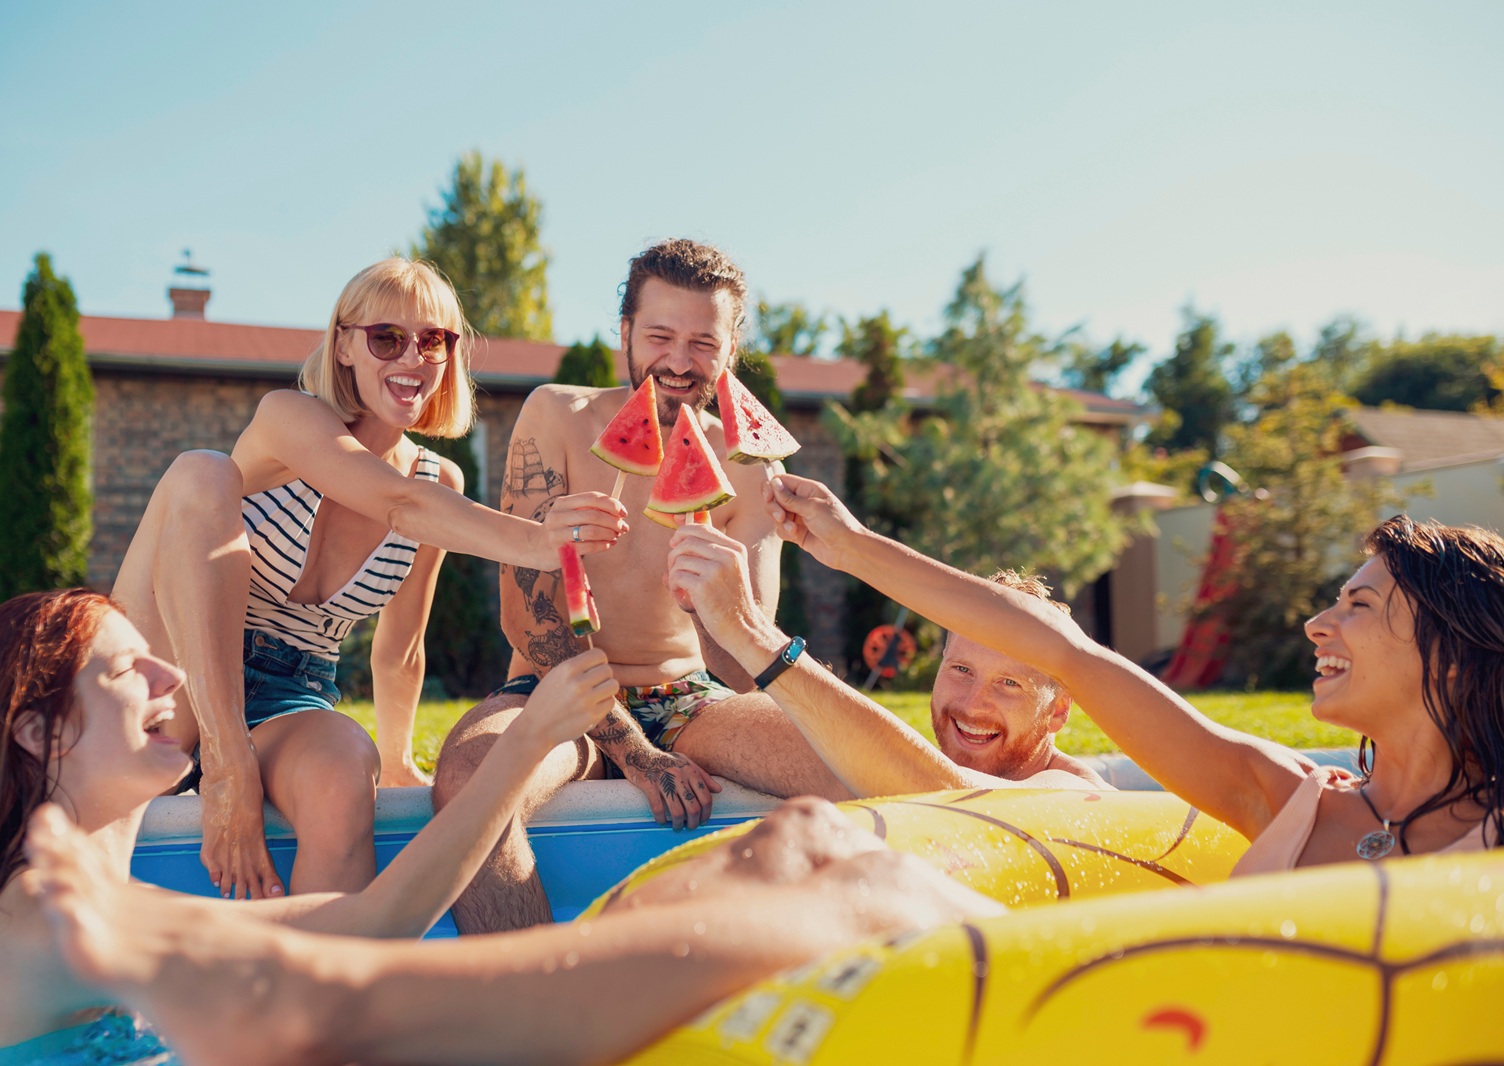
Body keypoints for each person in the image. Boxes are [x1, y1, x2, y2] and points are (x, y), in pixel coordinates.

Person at [0, 588, 987, 1061]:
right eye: (122, 668)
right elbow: (377, 932)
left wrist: (524, 747)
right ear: (39, 733)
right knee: (801, 859)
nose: (172, 673)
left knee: (774, 862)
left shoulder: (77, 915)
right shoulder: (32, 932)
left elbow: (383, 916)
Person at [111, 257, 625, 899]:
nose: (412, 357)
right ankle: (221, 764)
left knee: (343, 774)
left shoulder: (439, 484)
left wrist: (398, 756)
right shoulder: (286, 417)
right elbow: (394, 502)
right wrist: (540, 541)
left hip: (288, 690)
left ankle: (322, 986)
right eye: (387, 337)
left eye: (433, 340)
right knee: (201, 471)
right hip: (165, 662)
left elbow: (401, 646)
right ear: (345, 345)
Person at [759, 472, 1501, 867]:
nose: (1317, 623)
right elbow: (1063, 651)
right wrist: (850, 547)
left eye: (1360, 606)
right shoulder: (1280, 798)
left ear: (1450, 652)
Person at [433, 239, 848, 933]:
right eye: (660, 336)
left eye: (702, 344)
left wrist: (718, 607)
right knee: (469, 779)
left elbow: (741, 670)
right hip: (552, 689)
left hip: (688, 700)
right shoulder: (554, 417)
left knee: (851, 762)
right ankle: (534, 1006)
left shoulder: (749, 466)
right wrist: (637, 755)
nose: (679, 362)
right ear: (623, 333)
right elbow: (526, 626)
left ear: (729, 352)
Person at [664, 524, 1107, 793]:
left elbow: (951, 797)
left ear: (1058, 712)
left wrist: (748, 630)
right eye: (961, 670)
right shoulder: (913, 761)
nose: (972, 706)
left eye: (1009, 684)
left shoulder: (1075, 791)